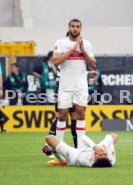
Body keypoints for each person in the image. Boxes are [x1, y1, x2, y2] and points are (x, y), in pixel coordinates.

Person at [53, 18, 97, 151]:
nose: (75, 28)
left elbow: (93, 64)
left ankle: (81, 150)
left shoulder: (87, 44)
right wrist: (72, 49)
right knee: (62, 115)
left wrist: (83, 51)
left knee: (81, 114)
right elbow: (57, 61)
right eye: (73, 26)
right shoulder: (61, 42)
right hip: (65, 86)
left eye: (78, 26)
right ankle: (59, 150)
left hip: (81, 85)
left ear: (80, 29)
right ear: (69, 27)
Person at [45, 133, 118, 167]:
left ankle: (62, 160)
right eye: (105, 154)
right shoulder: (111, 158)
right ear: (108, 157)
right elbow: (112, 136)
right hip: (89, 151)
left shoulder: (84, 159)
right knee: (114, 136)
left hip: (75, 155)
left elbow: (83, 138)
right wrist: (104, 146)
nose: (102, 152)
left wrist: (94, 146)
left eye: (100, 154)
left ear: (94, 159)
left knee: (49, 138)